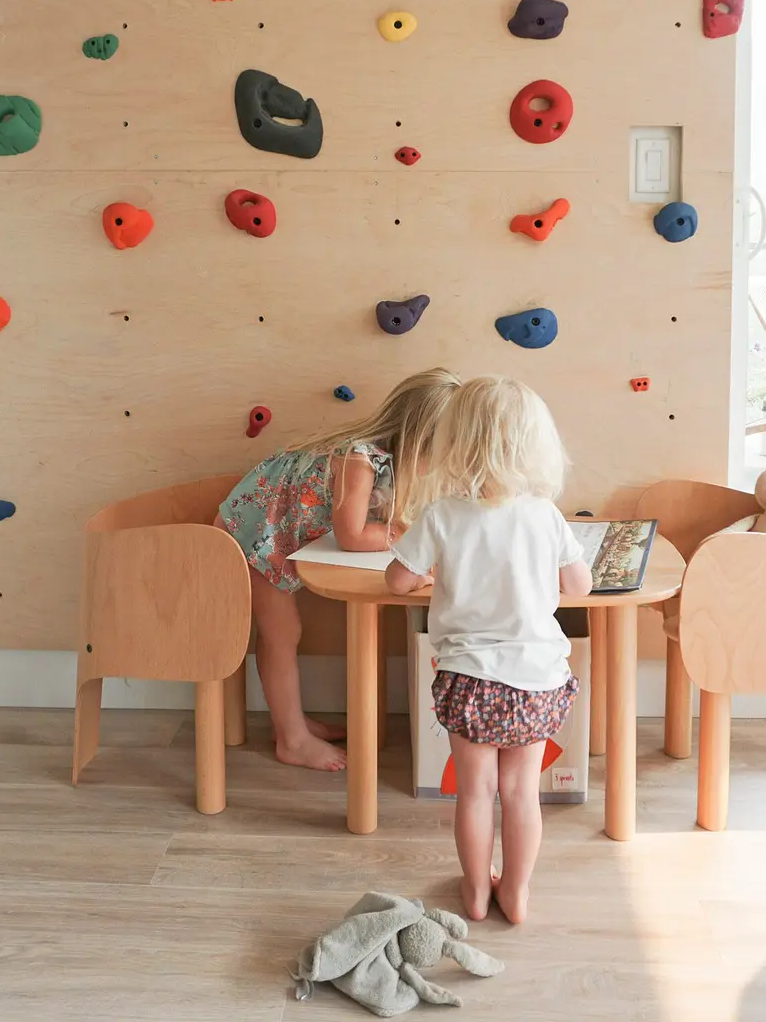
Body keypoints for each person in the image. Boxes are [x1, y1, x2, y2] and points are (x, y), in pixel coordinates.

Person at [385, 376, 592, 924]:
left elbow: (396, 582)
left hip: (468, 680)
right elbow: (580, 585)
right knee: (522, 794)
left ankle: (477, 892)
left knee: (475, 793)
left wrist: (428, 572)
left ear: (455, 442)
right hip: (536, 680)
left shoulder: (441, 514)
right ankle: (516, 893)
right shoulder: (545, 514)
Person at [217, 368, 461, 772]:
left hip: (274, 533)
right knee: (282, 631)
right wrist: (407, 534)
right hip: (251, 534)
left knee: (286, 631)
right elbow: (352, 535)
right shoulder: (359, 459)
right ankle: (291, 738)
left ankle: (293, 721)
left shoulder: (383, 460)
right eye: (441, 450)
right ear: (418, 438)